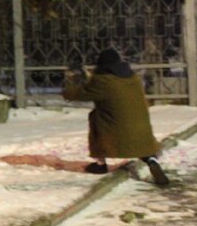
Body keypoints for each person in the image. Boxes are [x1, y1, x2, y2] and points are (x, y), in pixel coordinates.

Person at [63, 48, 170, 185]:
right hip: (142, 129)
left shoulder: (103, 80)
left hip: (116, 129)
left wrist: (70, 83)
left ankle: (100, 164)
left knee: (95, 117)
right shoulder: (133, 77)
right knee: (137, 133)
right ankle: (151, 159)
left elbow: (80, 94)